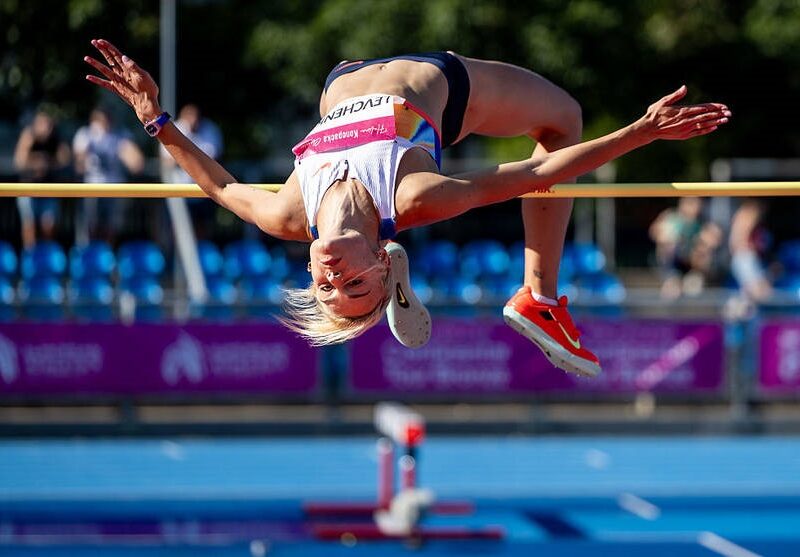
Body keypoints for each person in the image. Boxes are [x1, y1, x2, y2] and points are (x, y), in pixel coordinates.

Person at [84, 39, 730, 378]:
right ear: (384, 261)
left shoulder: (287, 213)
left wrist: (155, 119)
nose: (334, 274)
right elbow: (536, 170)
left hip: (345, 75)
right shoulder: (413, 198)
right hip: (442, 88)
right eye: (355, 286)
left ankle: (541, 294)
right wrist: (641, 133)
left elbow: (221, 188)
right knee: (563, 120)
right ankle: (540, 293)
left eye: (326, 286)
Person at [72, 106, 144, 242]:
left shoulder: (119, 136)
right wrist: (88, 148)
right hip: (92, 188)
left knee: (111, 228)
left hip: (114, 189)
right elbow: (79, 165)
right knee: (90, 226)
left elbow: (137, 164)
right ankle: (90, 255)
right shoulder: (85, 135)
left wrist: (124, 151)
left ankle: (107, 257)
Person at [13, 110, 71, 247]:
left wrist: (48, 162)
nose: (46, 127)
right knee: (29, 225)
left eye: (48, 124)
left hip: (48, 189)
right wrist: (36, 162)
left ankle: (46, 255)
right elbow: (19, 161)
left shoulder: (56, 138)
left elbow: (66, 158)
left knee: (48, 226)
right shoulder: (28, 136)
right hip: (28, 188)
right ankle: (30, 256)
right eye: (42, 123)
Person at [649, 197, 723, 298]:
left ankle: (685, 283)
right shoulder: (671, 218)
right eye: (691, 204)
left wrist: (703, 243)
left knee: (694, 285)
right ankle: (673, 281)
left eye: (697, 205)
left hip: (693, 265)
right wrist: (668, 235)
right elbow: (655, 233)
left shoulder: (703, 224)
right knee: (668, 245)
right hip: (672, 263)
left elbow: (713, 240)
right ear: (682, 205)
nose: (695, 208)